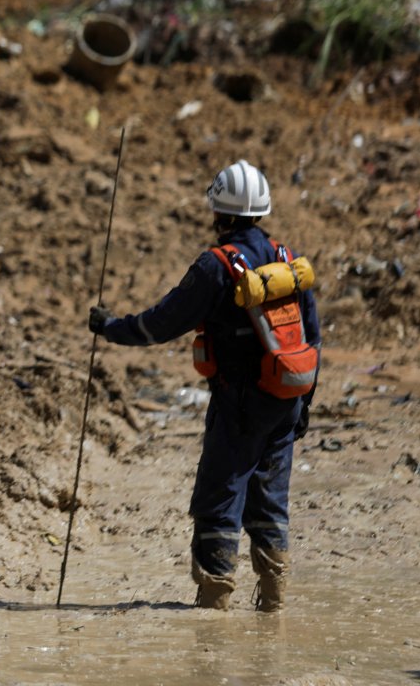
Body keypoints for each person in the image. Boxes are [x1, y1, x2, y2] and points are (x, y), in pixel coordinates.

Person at [88, 159, 320, 612]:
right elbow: (313, 336)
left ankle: (213, 612)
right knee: (271, 500)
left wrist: (110, 327)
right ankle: (272, 606)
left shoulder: (216, 267)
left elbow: (161, 323)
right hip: (286, 400)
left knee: (220, 496)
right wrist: (305, 402)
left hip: (238, 404)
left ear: (222, 213)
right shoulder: (287, 261)